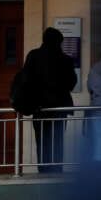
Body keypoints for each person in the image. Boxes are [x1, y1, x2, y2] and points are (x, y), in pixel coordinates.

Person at [22, 27, 77, 173]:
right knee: (57, 142)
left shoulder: (33, 56)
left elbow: (25, 80)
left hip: (39, 108)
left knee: (41, 142)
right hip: (59, 108)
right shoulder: (65, 60)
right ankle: (56, 171)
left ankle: (44, 172)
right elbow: (71, 83)